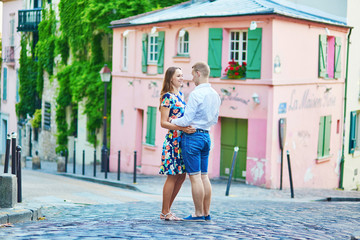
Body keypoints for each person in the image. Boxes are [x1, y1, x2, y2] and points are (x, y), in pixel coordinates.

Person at [171, 62, 221, 221]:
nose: (192, 79)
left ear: (199, 73)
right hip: (206, 136)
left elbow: (187, 119)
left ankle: (198, 213)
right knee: (204, 176)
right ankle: (206, 213)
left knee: (195, 177)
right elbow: (215, 119)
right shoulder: (215, 94)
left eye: (193, 74)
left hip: (193, 137)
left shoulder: (196, 94)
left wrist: (173, 120)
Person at [159, 66, 195, 221]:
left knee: (182, 176)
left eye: (182, 75)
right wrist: (182, 128)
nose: (182, 78)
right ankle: (164, 212)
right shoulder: (167, 97)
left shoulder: (180, 95)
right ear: (171, 79)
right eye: (178, 75)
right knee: (173, 176)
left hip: (182, 140)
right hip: (173, 141)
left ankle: (167, 210)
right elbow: (163, 123)